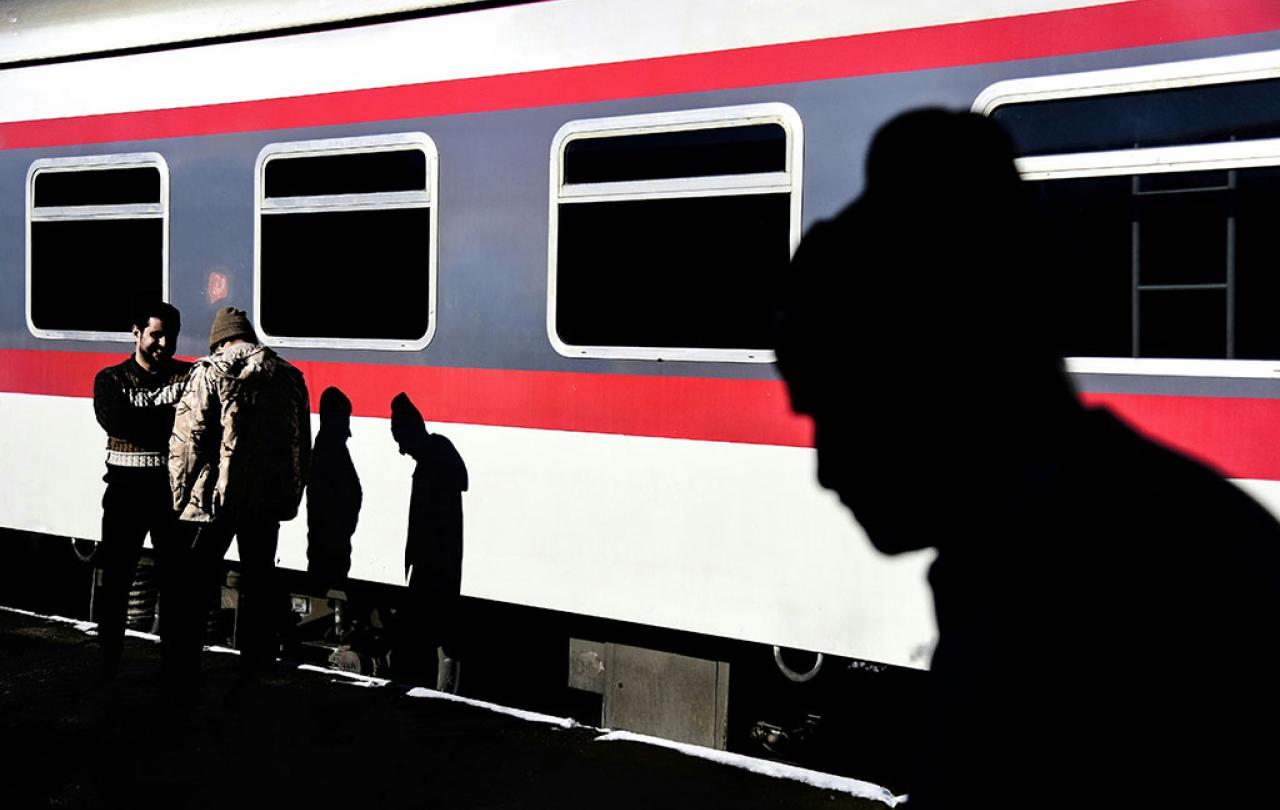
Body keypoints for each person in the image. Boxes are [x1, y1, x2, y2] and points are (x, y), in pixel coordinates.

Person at [774, 108, 1280, 807]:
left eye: (839, 411)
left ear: (935, 375)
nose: (826, 471)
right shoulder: (1158, 534)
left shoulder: (1074, 624)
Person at [169, 307, 311, 678]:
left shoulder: (209, 372)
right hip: (266, 501)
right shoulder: (289, 376)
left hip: (214, 499)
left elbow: (188, 441)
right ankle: (254, 666)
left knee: (197, 582)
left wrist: (178, 497)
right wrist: (291, 494)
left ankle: (185, 666)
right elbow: (302, 445)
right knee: (258, 581)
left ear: (219, 340)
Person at [91, 300, 192, 687]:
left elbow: (200, 421)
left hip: (170, 496)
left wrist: (152, 422)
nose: (164, 343)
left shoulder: (188, 376)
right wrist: (174, 422)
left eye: (170, 335)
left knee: (176, 585)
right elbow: (117, 421)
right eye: (155, 334)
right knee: (117, 580)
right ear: (136, 333)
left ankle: (174, 670)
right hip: (125, 496)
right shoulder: (110, 379)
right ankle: (107, 663)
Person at [390, 392, 468, 692]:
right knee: (441, 632)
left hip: (433, 565)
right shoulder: (440, 457)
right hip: (437, 563)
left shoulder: (431, 464)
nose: (400, 449)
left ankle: (439, 696)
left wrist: (418, 560)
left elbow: (426, 522)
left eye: (400, 438)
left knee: (438, 633)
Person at [306, 387, 362, 639]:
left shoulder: (327, 445)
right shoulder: (331, 448)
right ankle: (338, 625)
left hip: (331, 535)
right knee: (332, 580)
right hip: (331, 538)